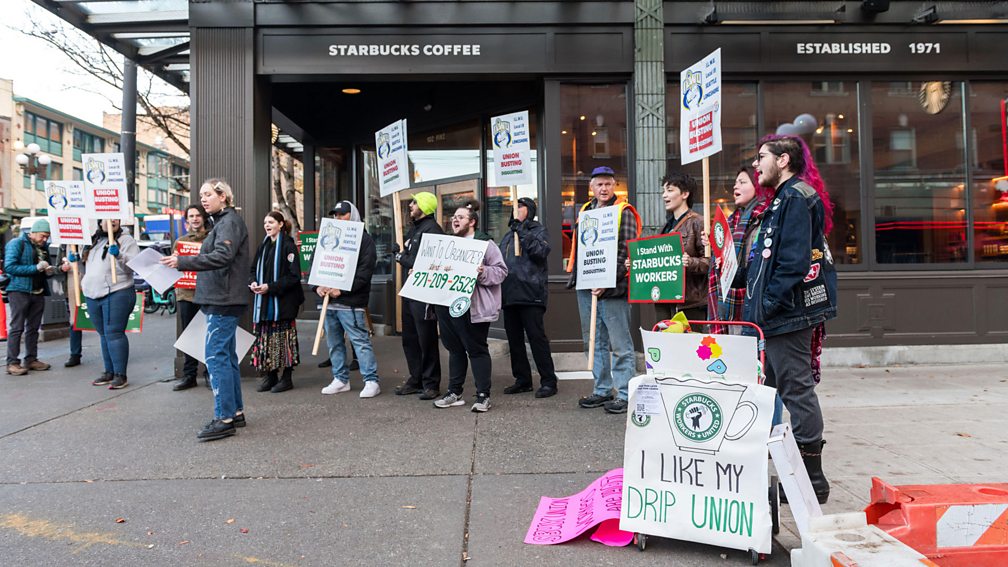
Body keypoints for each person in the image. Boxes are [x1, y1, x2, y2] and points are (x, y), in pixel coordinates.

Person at [746, 134, 837, 503]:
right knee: (776, 390)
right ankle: (791, 472)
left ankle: (812, 480)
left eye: (761, 157)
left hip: (788, 314)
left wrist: (768, 303)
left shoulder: (796, 198)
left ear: (783, 160)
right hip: (777, 315)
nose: (756, 165)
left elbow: (795, 262)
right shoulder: (781, 199)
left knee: (797, 391)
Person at [161, 178, 251, 442]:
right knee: (226, 356)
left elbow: (222, 257)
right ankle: (234, 412)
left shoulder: (229, 223)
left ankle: (224, 419)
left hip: (223, 299)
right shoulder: (223, 223)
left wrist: (183, 261)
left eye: (208, 194)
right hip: (222, 297)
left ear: (223, 196)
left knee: (215, 357)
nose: (203, 199)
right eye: (201, 195)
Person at [566, 166, 642, 415]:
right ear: (592, 187)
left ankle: (624, 393)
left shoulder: (624, 212)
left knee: (620, 343)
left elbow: (626, 249)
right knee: (594, 341)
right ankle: (602, 389)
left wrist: (608, 279)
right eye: (599, 184)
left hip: (613, 288)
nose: (604, 188)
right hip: (586, 285)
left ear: (614, 186)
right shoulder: (586, 211)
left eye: (608, 184)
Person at [432, 200, 507, 412]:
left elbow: (501, 271)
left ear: (472, 222)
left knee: (476, 349)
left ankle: (483, 395)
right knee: (454, 349)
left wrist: (483, 272)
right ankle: (454, 392)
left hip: (473, 306)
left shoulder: (485, 244)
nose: (455, 219)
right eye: (454, 217)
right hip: (447, 304)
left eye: (461, 217)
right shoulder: (446, 244)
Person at [317, 200, 380, 398]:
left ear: (351, 215)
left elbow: (364, 272)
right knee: (334, 343)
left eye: (342, 214)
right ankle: (340, 379)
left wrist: (341, 290)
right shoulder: (328, 238)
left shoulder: (364, 240)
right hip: (330, 301)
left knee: (360, 342)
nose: (338, 218)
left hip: (351, 302)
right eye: (335, 215)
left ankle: (371, 380)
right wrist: (317, 286)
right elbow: (317, 264)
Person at [498, 197, 559, 398]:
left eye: (521, 206)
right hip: (510, 294)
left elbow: (540, 252)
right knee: (514, 340)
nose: (516, 209)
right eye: (514, 206)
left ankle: (549, 381)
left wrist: (521, 231)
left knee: (536, 338)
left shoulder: (538, 231)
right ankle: (522, 379)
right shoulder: (507, 236)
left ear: (529, 210)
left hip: (531, 293)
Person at [707, 167, 772, 334]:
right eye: (735, 183)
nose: (735, 187)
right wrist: (714, 246)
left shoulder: (765, 217)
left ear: (758, 186)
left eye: (742, 182)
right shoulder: (731, 221)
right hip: (729, 303)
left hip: (753, 302)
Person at [392, 191, 443, 400]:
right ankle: (416, 378)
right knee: (410, 338)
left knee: (426, 339)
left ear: (424, 206)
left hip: (424, 295)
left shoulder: (432, 230)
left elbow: (421, 263)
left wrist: (399, 256)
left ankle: (431, 383)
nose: (410, 205)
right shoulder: (416, 229)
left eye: (414, 202)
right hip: (410, 291)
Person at [80, 219, 140, 389]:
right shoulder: (94, 241)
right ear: (100, 222)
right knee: (104, 334)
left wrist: (119, 255)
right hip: (92, 293)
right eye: (108, 217)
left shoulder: (126, 240)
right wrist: (74, 259)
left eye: (116, 217)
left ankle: (120, 374)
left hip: (117, 291)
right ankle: (109, 372)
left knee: (114, 333)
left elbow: (134, 266)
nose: (113, 220)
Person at [249, 211, 304, 393]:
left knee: (284, 340)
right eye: (265, 222)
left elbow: (294, 276)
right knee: (267, 339)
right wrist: (254, 283)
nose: (267, 225)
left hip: (283, 303)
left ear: (280, 224)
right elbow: (252, 270)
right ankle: (270, 376)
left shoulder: (288, 246)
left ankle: (287, 378)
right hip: (264, 303)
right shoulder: (263, 246)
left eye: (271, 222)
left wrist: (270, 287)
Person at [655, 172, 709, 324]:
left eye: (670, 190)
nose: (665, 195)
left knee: (688, 346)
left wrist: (690, 262)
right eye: (663, 191)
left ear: (685, 194)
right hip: (665, 299)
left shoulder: (698, 222)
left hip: (690, 303)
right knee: (665, 345)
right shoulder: (665, 227)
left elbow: (710, 262)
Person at [4, 219, 56, 376]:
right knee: (17, 327)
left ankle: (31, 359)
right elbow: (9, 266)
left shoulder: (43, 247)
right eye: (43, 236)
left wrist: (49, 271)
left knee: (33, 328)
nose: (45, 239)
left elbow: (43, 269)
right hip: (19, 290)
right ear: (33, 232)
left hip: (38, 291)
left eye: (47, 237)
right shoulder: (17, 243)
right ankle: (12, 362)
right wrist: (35, 268)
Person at [172, 205, 211, 391]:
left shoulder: (212, 239)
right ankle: (190, 375)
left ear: (203, 218)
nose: (195, 219)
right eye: (191, 216)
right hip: (186, 295)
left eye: (197, 215)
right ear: (187, 220)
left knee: (209, 336)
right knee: (190, 336)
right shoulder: (180, 242)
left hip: (208, 295)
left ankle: (210, 373)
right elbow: (173, 266)